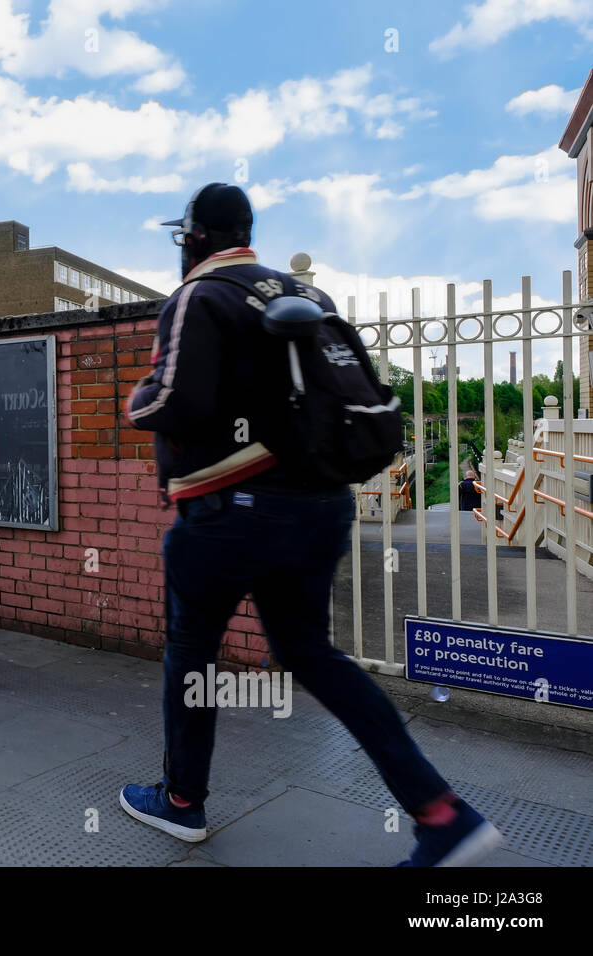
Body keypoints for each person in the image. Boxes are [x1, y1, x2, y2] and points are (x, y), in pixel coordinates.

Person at [119, 183, 502, 866]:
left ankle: (182, 802)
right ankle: (441, 813)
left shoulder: (199, 297)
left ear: (194, 238)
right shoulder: (303, 295)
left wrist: (137, 399)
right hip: (320, 505)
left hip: (228, 510)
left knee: (192, 652)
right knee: (312, 654)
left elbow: (176, 402)